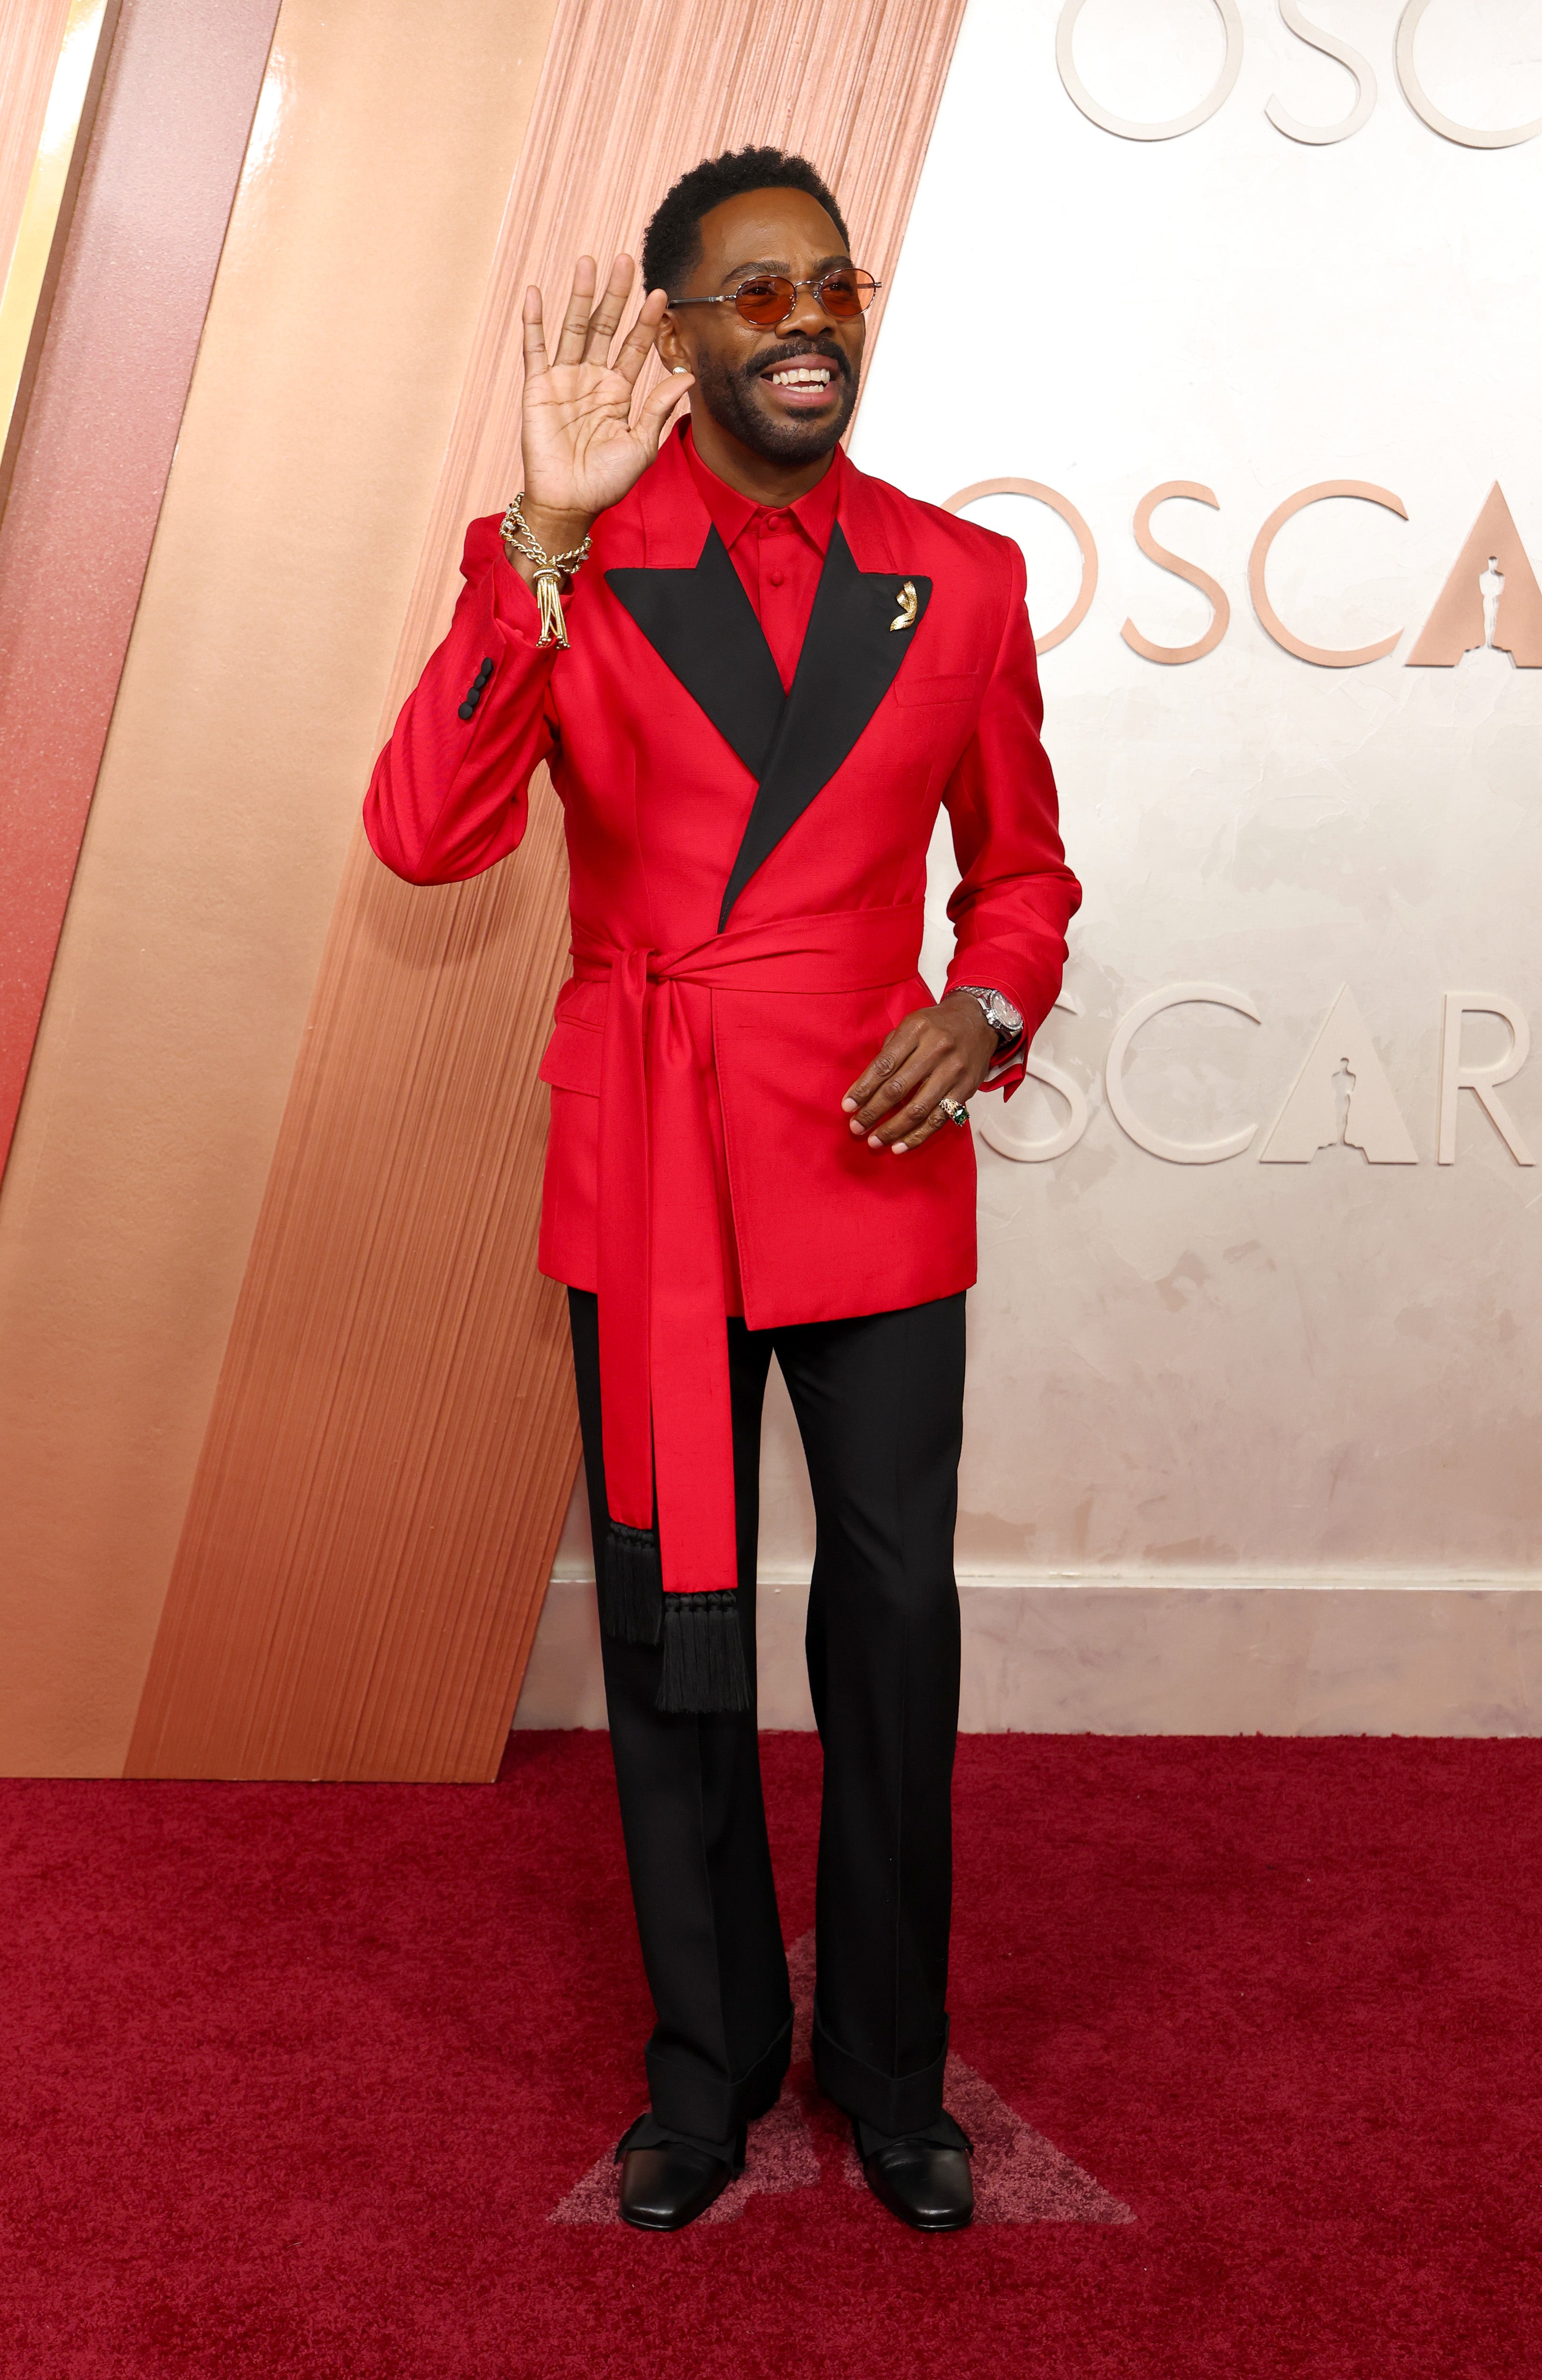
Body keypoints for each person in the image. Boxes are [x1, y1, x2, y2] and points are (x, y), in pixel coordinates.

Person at [365, 146, 1079, 2233]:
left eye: (830, 284)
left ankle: (888, 2069)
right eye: (752, 292)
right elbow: (424, 839)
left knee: (891, 1630)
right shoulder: (575, 559)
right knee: (679, 1640)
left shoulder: (959, 576)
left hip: (871, 1153)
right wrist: (537, 537)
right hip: (657, 1169)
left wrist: (990, 999)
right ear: (675, 332)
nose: (804, 322)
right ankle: (705, 2065)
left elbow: (1020, 865)